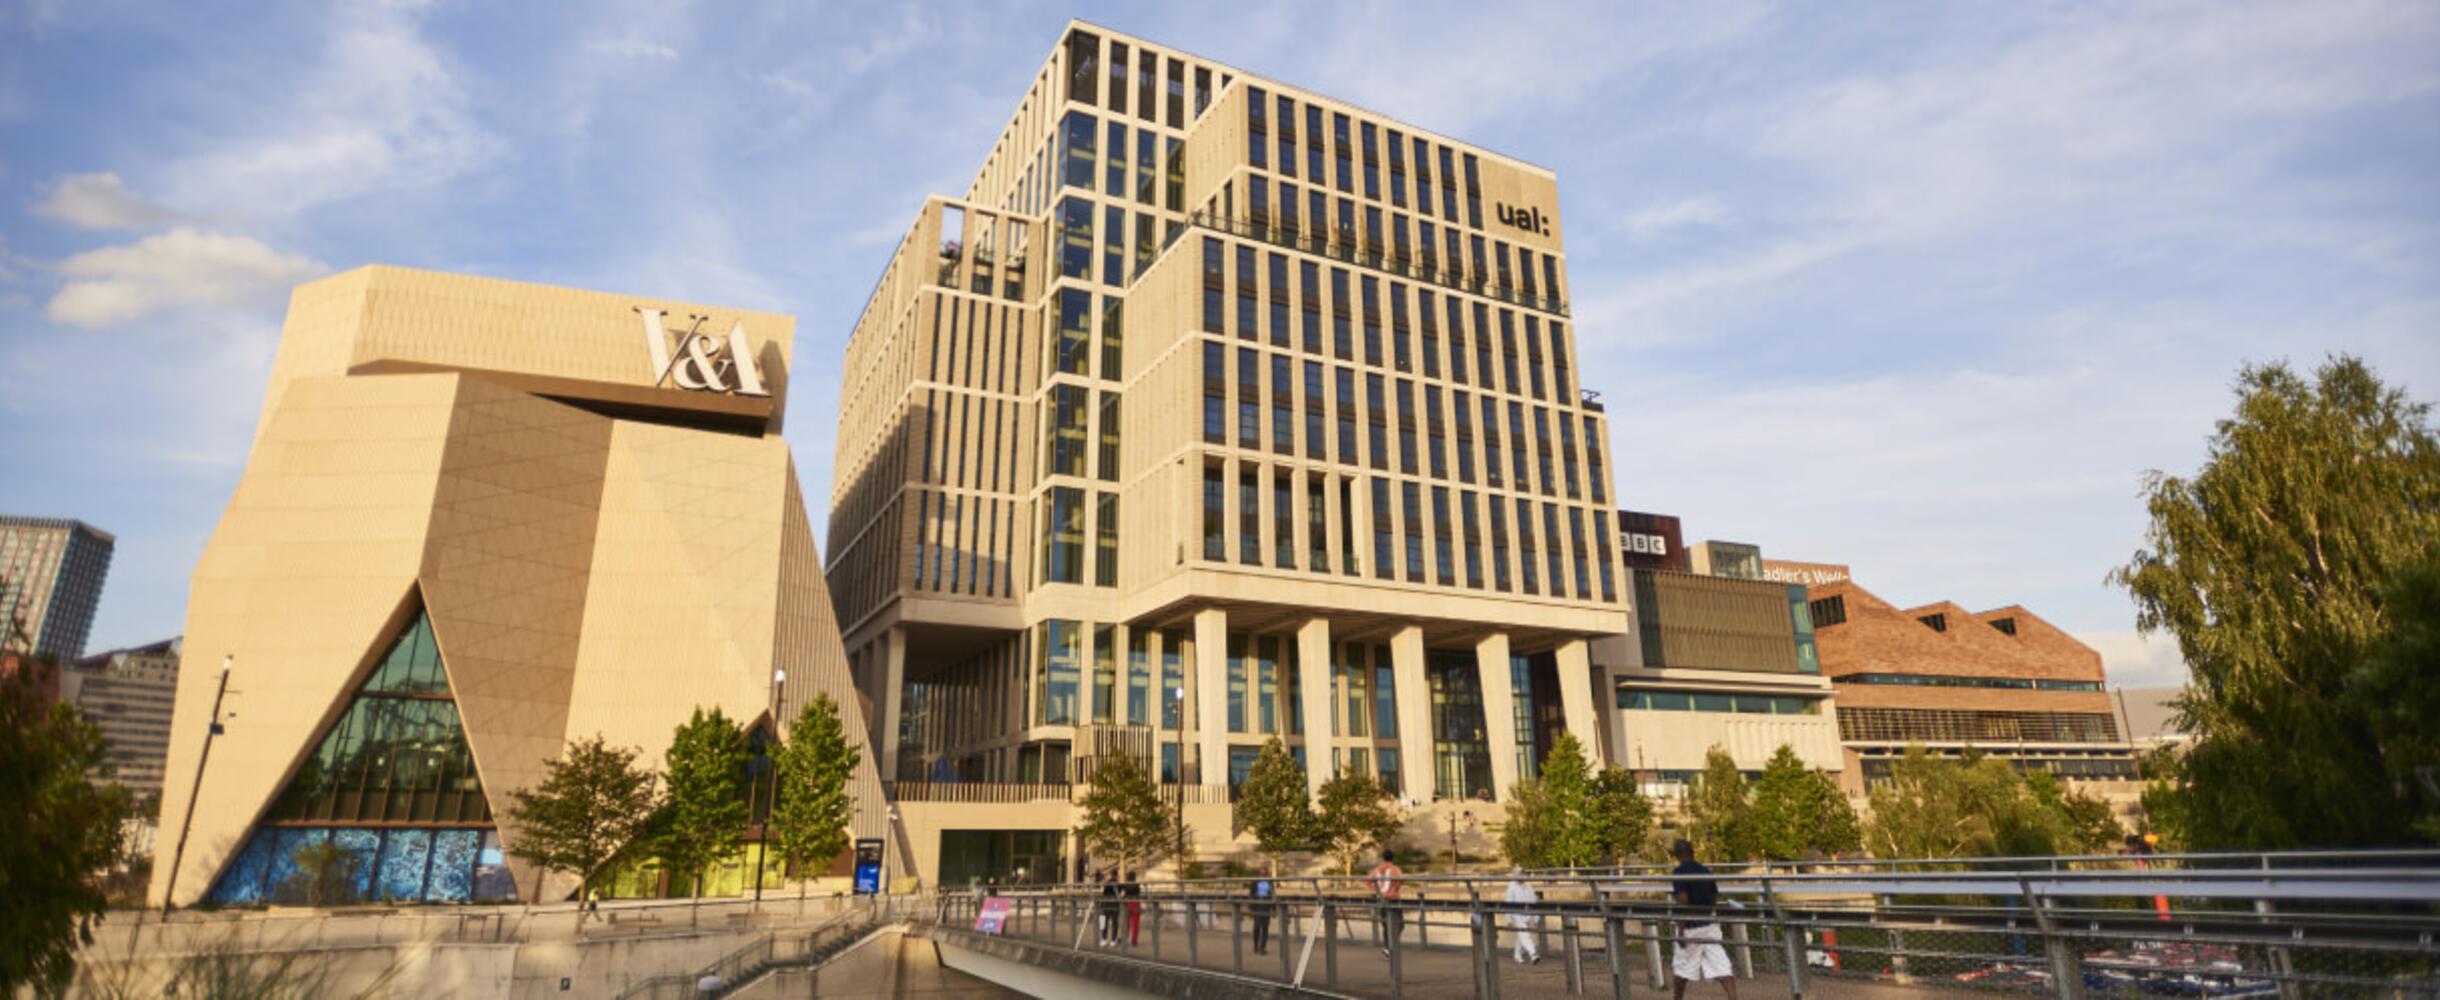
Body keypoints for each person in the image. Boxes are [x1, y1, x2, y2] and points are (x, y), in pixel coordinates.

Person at [1669, 839, 1737, 999]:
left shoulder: (1679, 872)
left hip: (1692, 927)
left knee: (1682, 967)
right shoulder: (1705, 870)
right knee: (1721, 965)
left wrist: (1680, 929)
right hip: (1710, 925)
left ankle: (1677, 998)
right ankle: (1734, 997)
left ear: (1677, 855)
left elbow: (1683, 900)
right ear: (1693, 853)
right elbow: (1714, 897)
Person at [1369, 849, 1406, 955]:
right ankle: (1391, 944)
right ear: (1392, 858)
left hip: (1382, 898)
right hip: (1393, 898)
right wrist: (1395, 889)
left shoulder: (1376, 870)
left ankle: (1387, 947)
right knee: (1400, 924)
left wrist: (1375, 890)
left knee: (1386, 924)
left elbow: (1368, 880)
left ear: (1383, 858)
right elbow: (1401, 880)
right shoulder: (1395, 869)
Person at [1504, 868, 1541, 964]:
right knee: (1524, 934)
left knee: (1522, 936)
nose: (1523, 876)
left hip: (1527, 914)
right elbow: (1508, 902)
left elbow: (1533, 900)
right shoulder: (1511, 887)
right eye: (1520, 874)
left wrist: (1535, 917)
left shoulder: (1528, 886)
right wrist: (1508, 918)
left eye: (1524, 873)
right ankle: (1533, 953)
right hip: (1517, 914)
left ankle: (1517, 955)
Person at [1249, 876, 1276, 954]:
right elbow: (1251, 894)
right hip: (1257, 905)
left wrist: (1273, 909)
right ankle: (1255, 946)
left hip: (1266, 905)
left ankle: (1262, 947)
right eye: (1261, 869)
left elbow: (1272, 895)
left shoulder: (1270, 882)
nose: (1263, 872)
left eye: (1264, 869)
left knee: (1265, 927)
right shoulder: (1255, 882)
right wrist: (1251, 907)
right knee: (1257, 926)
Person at [1098, 872, 1121, 947]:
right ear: (1117, 876)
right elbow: (1118, 895)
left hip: (1105, 904)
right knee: (1115, 923)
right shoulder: (1117, 884)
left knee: (1103, 922)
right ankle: (1113, 940)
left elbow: (1103, 893)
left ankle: (1103, 939)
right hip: (1114, 905)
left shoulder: (1107, 883)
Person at [1122, 873, 1144, 946]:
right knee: (1135, 924)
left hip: (1127, 904)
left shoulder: (1125, 885)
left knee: (1126, 923)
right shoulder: (1137, 885)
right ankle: (1134, 940)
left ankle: (1125, 938)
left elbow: (1124, 895)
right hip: (1135, 904)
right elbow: (1139, 893)